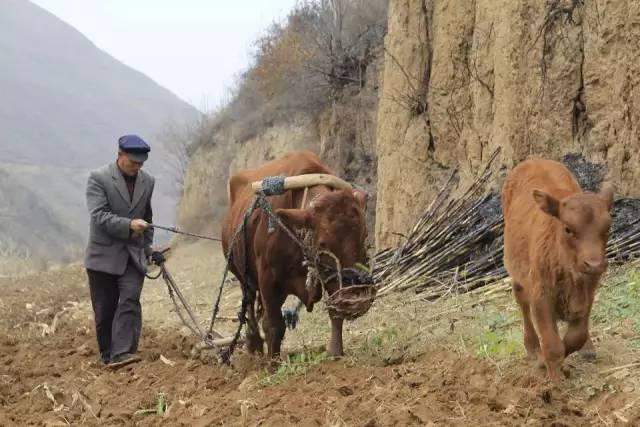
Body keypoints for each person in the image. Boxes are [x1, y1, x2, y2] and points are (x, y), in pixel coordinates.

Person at [84, 135, 165, 368]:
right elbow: (99, 216)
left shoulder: (148, 181)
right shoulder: (98, 178)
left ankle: (124, 353)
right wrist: (128, 225)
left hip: (133, 254)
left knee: (130, 300)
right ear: (120, 156)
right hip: (103, 257)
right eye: (133, 163)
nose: (137, 167)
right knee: (105, 309)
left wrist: (148, 248)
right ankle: (108, 354)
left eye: (141, 164)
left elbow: (148, 219)